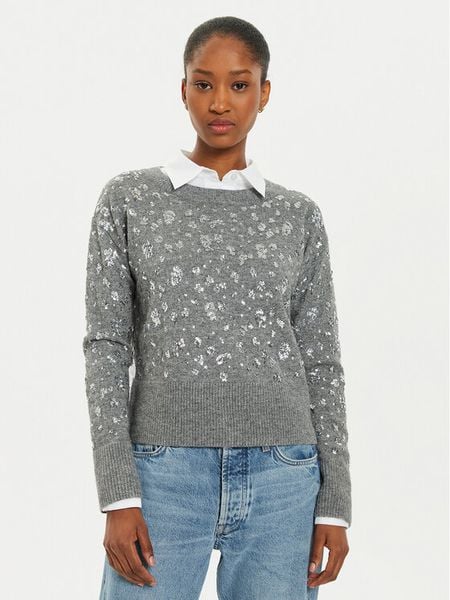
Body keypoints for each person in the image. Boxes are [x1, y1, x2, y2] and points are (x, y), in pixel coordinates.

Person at [83, 15, 351, 600]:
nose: (220, 102)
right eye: (204, 84)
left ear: (264, 93)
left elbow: (322, 361)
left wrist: (335, 502)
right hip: (162, 474)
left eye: (239, 84)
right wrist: (118, 493)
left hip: (284, 474)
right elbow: (106, 348)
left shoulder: (297, 215)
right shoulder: (130, 199)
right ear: (183, 90)